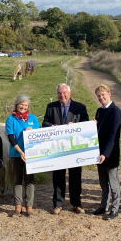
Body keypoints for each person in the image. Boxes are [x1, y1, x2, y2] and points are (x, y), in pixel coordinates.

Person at [42, 83, 89, 214]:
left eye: (64, 93)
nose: (62, 95)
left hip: (74, 148)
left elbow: (86, 124)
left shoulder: (80, 107)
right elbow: (44, 123)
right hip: (57, 149)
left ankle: (76, 203)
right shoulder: (51, 107)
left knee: (75, 176)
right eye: (59, 93)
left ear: (69, 93)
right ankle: (58, 203)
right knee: (58, 176)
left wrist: (75, 125)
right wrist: (52, 126)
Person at [90, 84, 121, 220]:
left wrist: (105, 153)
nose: (101, 97)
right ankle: (104, 206)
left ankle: (114, 209)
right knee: (103, 183)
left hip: (110, 153)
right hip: (99, 153)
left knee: (113, 184)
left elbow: (112, 135)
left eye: (103, 94)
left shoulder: (116, 112)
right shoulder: (99, 111)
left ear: (109, 94)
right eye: (98, 95)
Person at [5, 95, 40, 216]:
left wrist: (32, 132)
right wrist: (20, 152)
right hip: (16, 154)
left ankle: (29, 206)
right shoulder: (11, 119)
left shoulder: (33, 118)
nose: (23, 107)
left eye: (25, 105)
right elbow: (10, 137)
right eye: (21, 104)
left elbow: (39, 135)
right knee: (17, 180)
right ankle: (18, 206)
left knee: (30, 180)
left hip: (31, 154)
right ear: (16, 105)